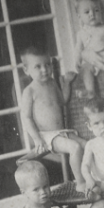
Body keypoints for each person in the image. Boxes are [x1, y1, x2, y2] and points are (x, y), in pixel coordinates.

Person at [18, 46, 87, 191]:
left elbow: (63, 100)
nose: (45, 69)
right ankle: (80, 182)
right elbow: (27, 118)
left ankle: (92, 177)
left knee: (86, 145)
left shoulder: (52, 83)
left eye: (47, 64)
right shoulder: (29, 91)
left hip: (61, 132)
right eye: (38, 66)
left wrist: (67, 83)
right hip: (46, 137)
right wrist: (37, 139)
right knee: (74, 147)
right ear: (26, 70)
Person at [68, 0, 104, 99]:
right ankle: (90, 91)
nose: (92, 14)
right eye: (87, 12)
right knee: (86, 68)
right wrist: (77, 60)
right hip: (92, 61)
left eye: (96, 10)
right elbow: (78, 48)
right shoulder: (81, 33)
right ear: (79, 16)